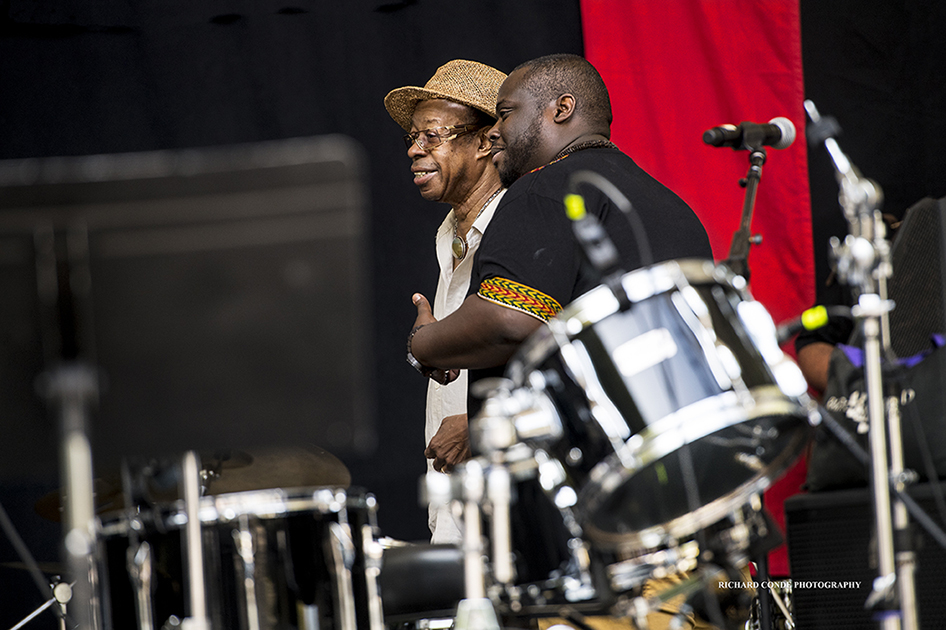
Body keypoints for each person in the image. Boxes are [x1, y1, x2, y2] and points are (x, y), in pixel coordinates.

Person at [406, 54, 728, 629]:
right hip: (689, 504)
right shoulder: (668, 206)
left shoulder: (543, 192)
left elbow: (511, 319)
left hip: (602, 521)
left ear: (561, 109)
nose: (498, 131)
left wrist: (429, 343)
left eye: (506, 114)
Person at [384, 59, 507, 543]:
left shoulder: (516, 231)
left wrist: (480, 426)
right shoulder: (447, 234)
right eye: (413, 138)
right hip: (458, 501)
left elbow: (552, 346)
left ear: (485, 142)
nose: (415, 150)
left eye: (431, 136)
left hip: (511, 499)